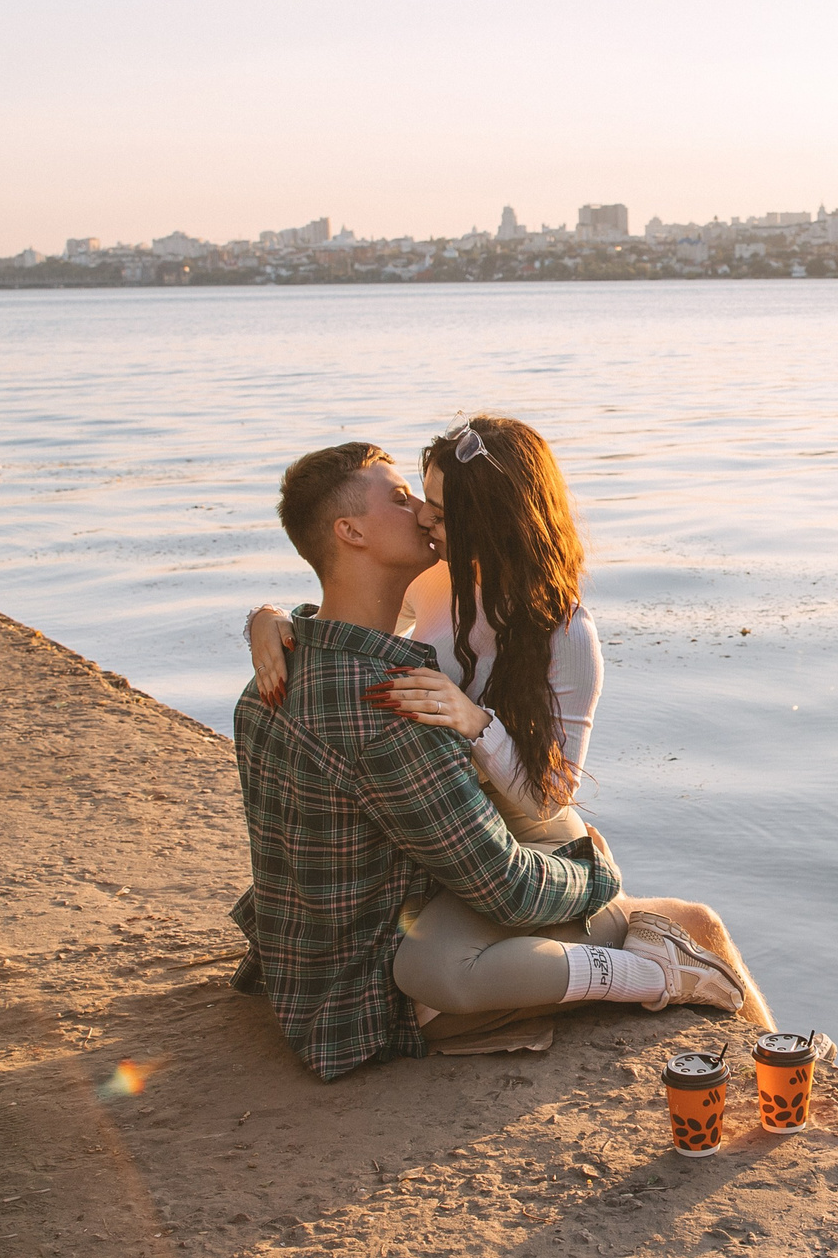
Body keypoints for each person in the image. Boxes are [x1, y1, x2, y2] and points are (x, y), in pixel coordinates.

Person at [232, 441, 743, 1080]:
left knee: (690, 921)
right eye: (408, 499)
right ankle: (683, 992)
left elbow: (546, 797)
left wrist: (477, 725)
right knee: (685, 923)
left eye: (437, 509)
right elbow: (505, 885)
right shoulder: (409, 651)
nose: (422, 515)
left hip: (521, 814)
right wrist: (266, 615)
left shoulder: (561, 633)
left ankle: (785, 1057)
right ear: (352, 529)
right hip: (453, 861)